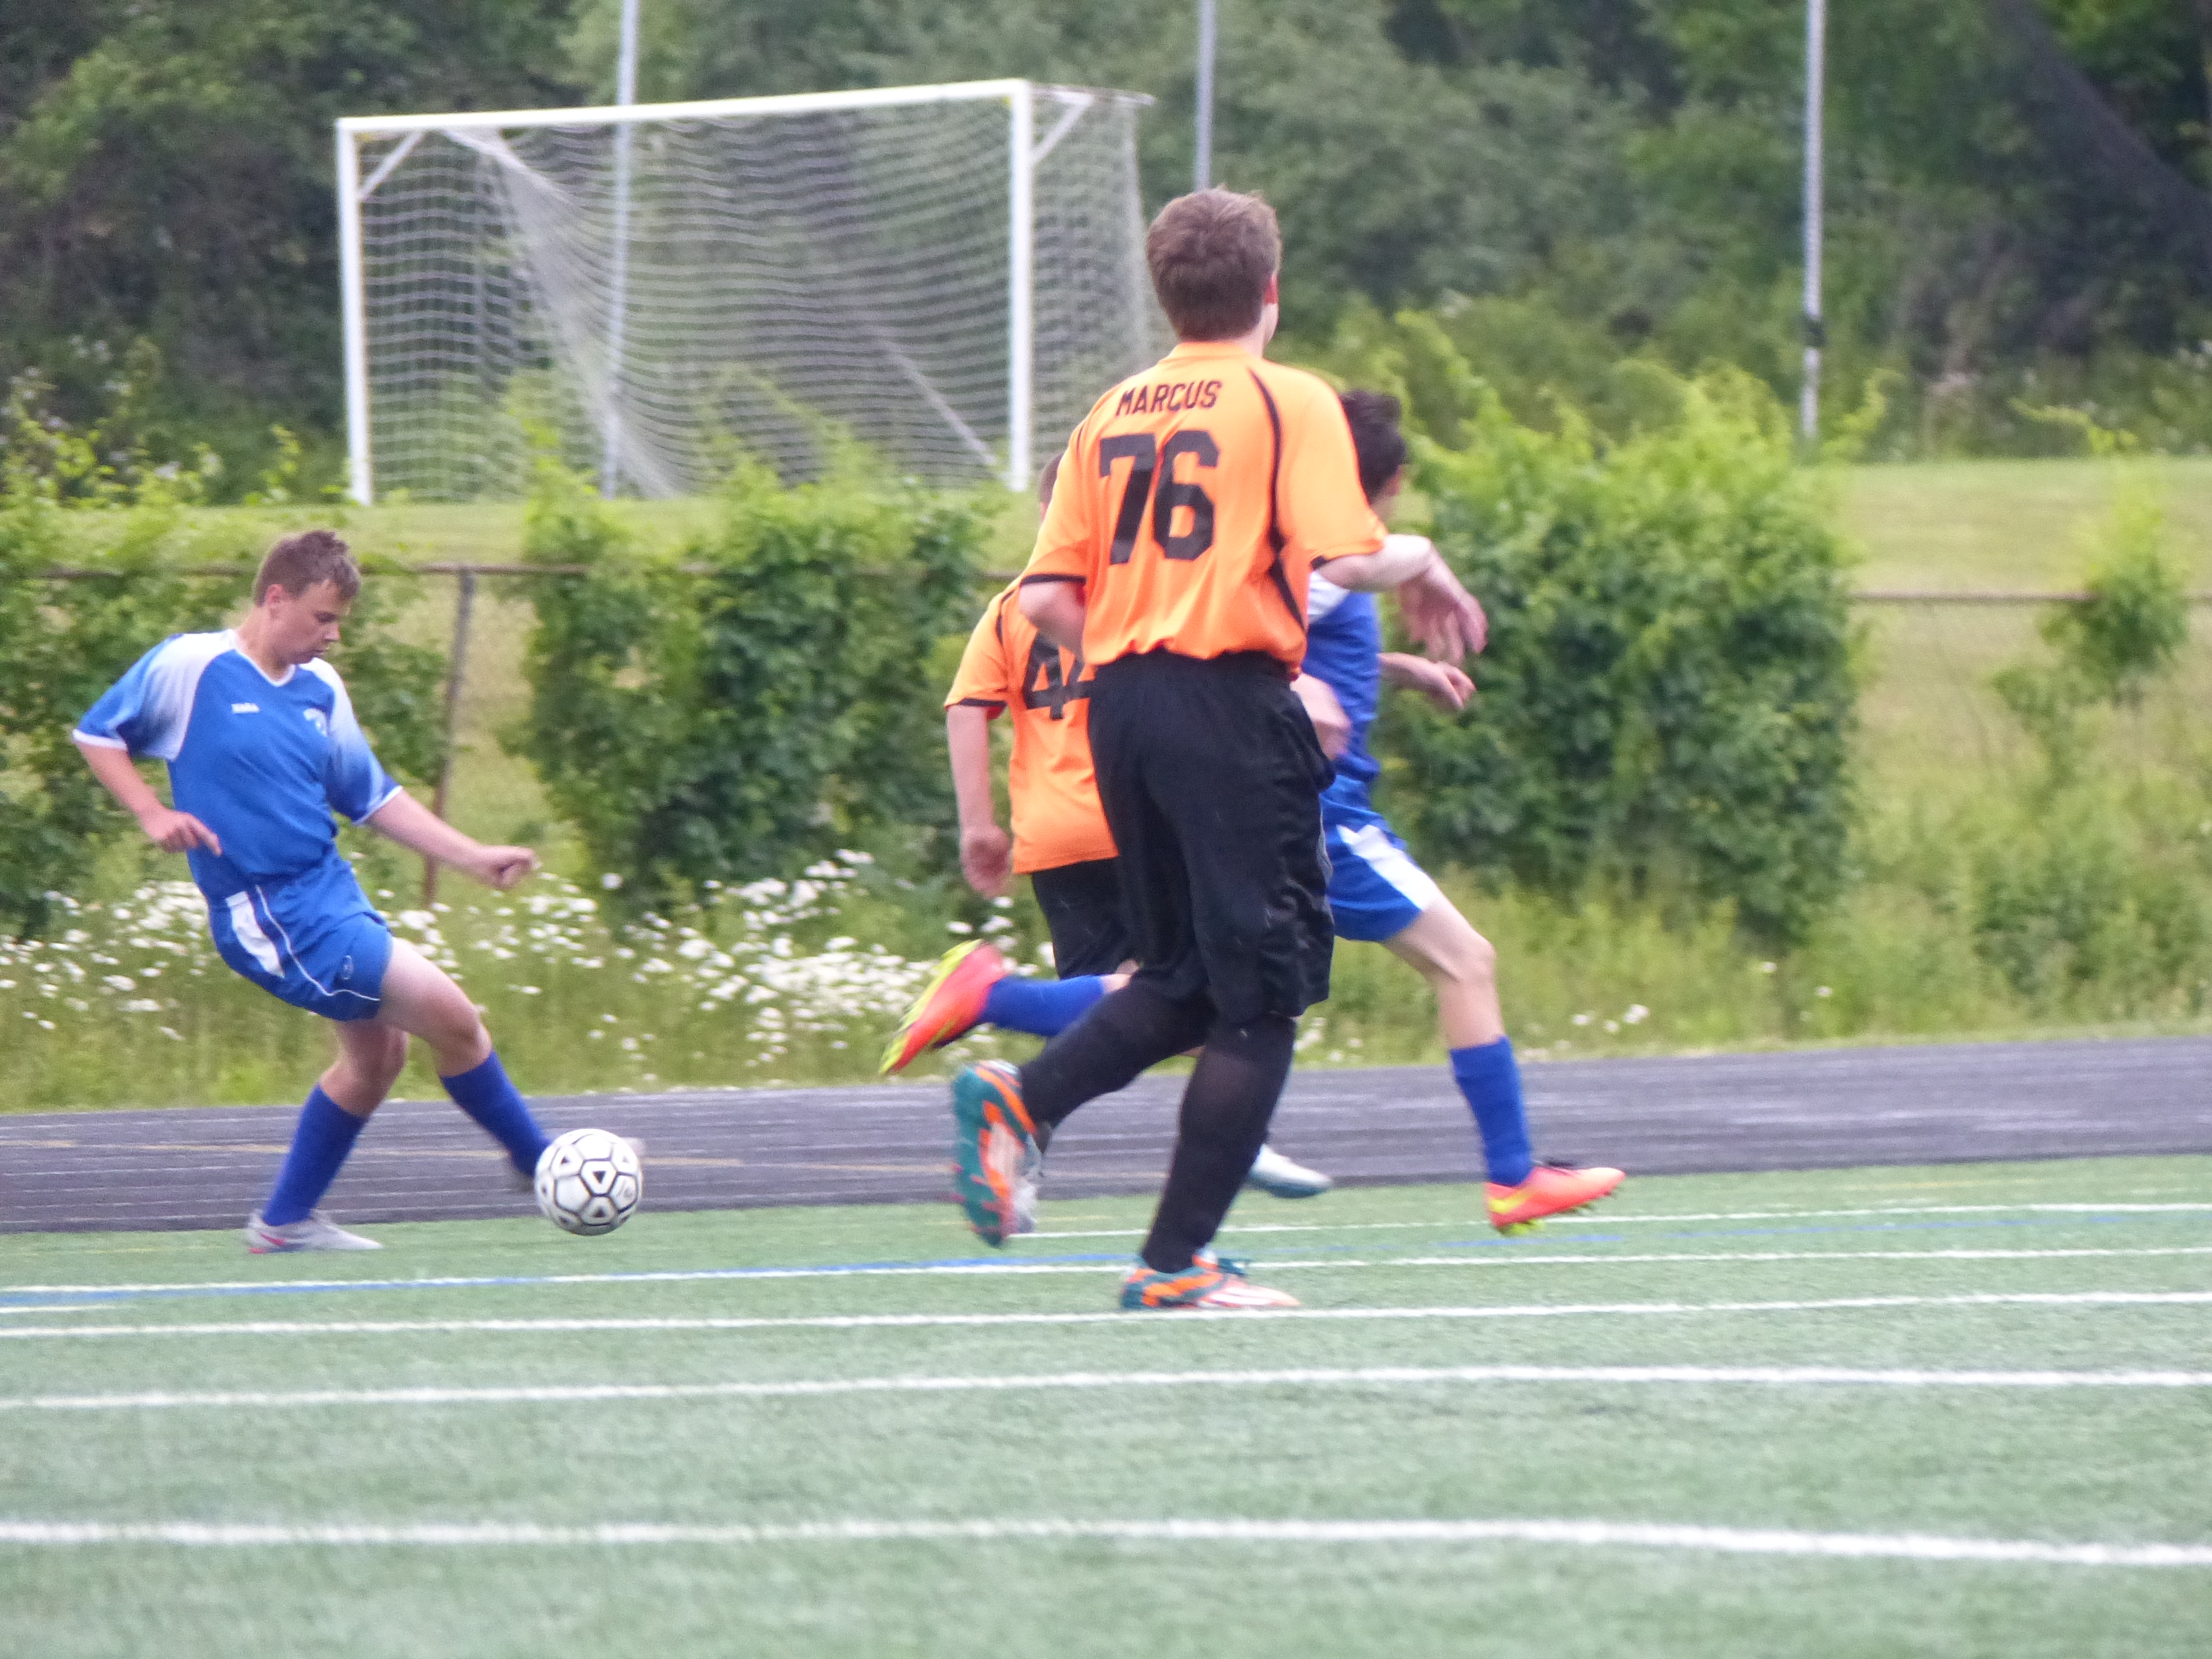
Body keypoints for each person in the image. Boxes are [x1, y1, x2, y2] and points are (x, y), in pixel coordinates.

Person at [943, 187, 1485, 1311]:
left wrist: (1139, 656)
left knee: (1188, 980)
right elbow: (1350, 557)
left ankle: (1028, 1104)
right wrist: (1423, 557)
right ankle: (1170, 1260)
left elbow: (1043, 597)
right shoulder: (1287, 400)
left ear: (1166, 294)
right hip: (1228, 709)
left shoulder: (1107, 414)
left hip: (1119, 712)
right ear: (1269, 292)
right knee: (1262, 1000)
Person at [73, 530, 562, 1252]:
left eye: (338, 622)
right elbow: (97, 734)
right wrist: (151, 812)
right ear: (276, 599)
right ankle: (541, 1164)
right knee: (454, 1019)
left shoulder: (321, 689)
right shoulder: (192, 666)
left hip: (332, 894)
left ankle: (284, 1223)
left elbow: (371, 797)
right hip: (272, 915)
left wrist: (472, 857)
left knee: (377, 1061)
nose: (333, 635)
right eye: (323, 618)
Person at [879, 453, 1334, 1204]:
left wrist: (978, 827)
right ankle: (991, 997)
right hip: (1138, 819)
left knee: (1113, 1019)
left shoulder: (1012, 606)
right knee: (1190, 993)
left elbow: (966, 708)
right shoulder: (1141, 599)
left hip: (1053, 839)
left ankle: (1011, 1163)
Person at [1294, 390, 1623, 1229]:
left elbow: (1289, 638)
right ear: (1394, 482)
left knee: (1180, 999)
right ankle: (1512, 1177)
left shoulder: (1303, 553)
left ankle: (996, 1006)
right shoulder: (1331, 553)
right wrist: (1425, 558)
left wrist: (1399, 670)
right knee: (1465, 961)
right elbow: (1329, 586)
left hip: (1294, 806)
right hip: (1324, 814)